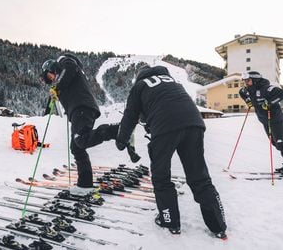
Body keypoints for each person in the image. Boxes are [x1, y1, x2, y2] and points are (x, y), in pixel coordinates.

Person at [116, 65, 227, 238]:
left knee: (161, 177)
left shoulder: (140, 86)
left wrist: (122, 140)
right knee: (199, 177)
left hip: (164, 127)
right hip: (194, 124)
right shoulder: (173, 82)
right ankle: (218, 226)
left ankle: (170, 221)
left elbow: (130, 115)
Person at [39, 54, 123, 196]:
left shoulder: (64, 62)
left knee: (81, 140)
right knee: (76, 147)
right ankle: (85, 184)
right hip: (79, 110)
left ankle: (117, 130)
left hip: (82, 108)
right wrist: (57, 94)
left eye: (50, 76)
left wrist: (58, 88)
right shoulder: (63, 77)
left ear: (51, 69)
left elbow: (70, 68)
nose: (52, 80)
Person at [239, 71, 283, 175]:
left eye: (248, 80)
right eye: (244, 81)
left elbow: (282, 93)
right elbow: (241, 92)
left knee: (281, 143)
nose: (246, 83)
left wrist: (269, 102)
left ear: (255, 80)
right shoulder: (248, 90)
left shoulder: (266, 88)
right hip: (265, 120)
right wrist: (248, 101)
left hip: (275, 119)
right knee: (275, 143)